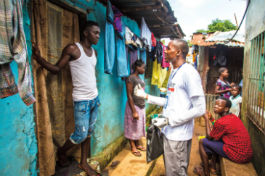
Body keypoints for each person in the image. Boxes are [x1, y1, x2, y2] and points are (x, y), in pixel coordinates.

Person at [32, 21, 100, 176]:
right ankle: (62, 152)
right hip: (81, 100)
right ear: (85, 33)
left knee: (89, 132)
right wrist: (39, 58)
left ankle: (83, 162)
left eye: (99, 33)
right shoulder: (73, 49)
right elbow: (56, 69)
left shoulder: (94, 53)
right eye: (95, 33)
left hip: (95, 99)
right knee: (80, 134)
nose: (98, 36)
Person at [135, 39, 206, 176]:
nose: (165, 51)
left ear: (178, 52)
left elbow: (200, 108)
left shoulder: (189, 73)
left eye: (168, 48)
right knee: (171, 170)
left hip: (178, 136)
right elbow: (170, 101)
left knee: (176, 172)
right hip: (169, 132)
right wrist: (146, 96)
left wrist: (169, 120)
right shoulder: (175, 71)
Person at [196, 98, 252, 176]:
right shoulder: (232, 117)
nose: (215, 106)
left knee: (202, 141)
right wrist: (211, 119)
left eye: (218, 105)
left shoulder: (222, 122)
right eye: (215, 104)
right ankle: (213, 167)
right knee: (217, 138)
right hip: (246, 154)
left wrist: (206, 119)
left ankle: (206, 173)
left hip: (239, 155)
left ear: (226, 109)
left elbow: (209, 136)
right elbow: (217, 129)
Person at [124, 60, 146, 157]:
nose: (144, 69)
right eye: (143, 67)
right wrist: (134, 111)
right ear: (137, 67)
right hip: (133, 106)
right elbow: (129, 94)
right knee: (132, 126)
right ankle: (132, 146)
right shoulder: (130, 78)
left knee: (138, 126)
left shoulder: (139, 78)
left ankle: (137, 144)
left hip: (140, 105)